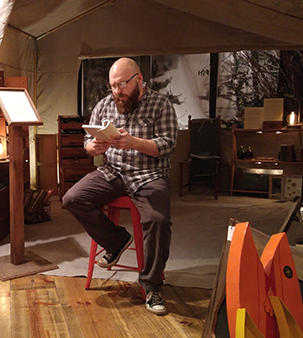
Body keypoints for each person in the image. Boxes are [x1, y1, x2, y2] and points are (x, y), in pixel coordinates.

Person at [62, 57, 178, 315]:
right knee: (72, 198)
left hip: (149, 175)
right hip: (113, 171)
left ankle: (152, 285)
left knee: (158, 220)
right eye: (113, 86)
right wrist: (95, 146)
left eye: (122, 85)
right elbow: (87, 144)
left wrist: (135, 142)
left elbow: (168, 144)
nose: (117, 92)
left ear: (139, 79)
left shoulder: (160, 104)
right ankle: (116, 241)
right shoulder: (104, 105)